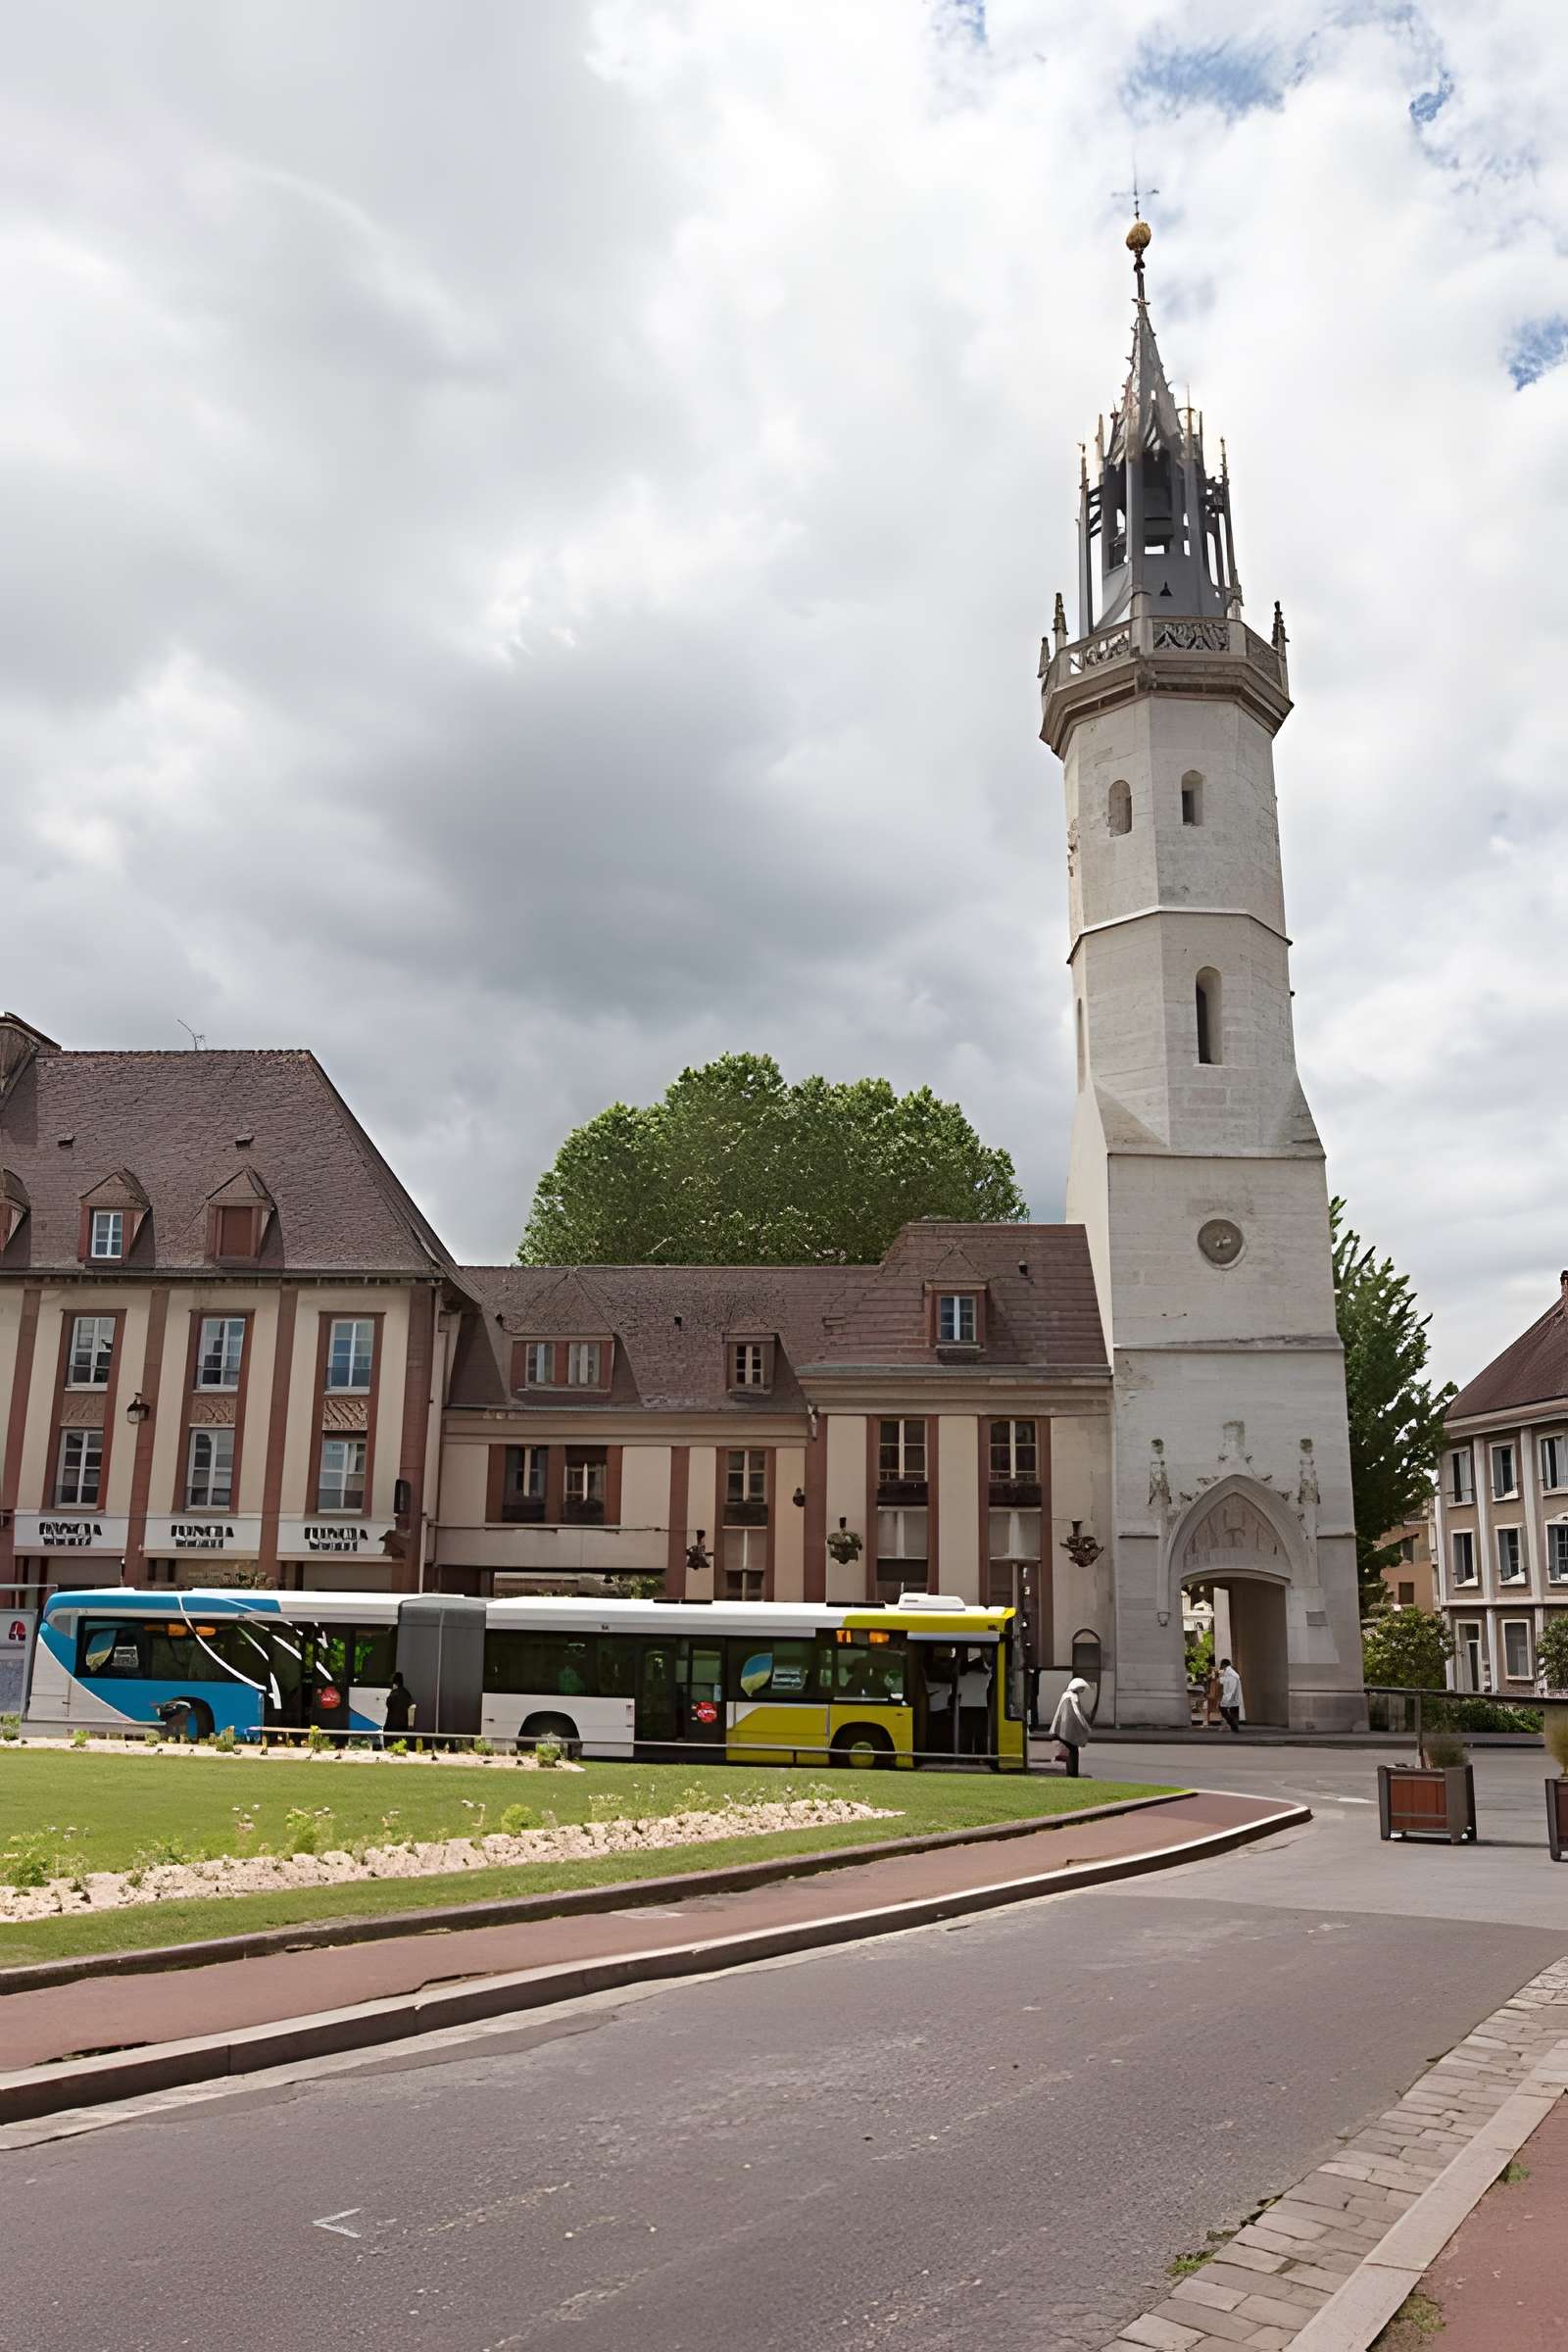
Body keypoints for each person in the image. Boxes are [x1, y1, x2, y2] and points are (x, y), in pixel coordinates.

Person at [1049, 1676, 1094, 1776]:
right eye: (1081, 1688)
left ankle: (1070, 1772)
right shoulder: (1074, 1697)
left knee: (1070, 1749)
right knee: (1074, 1750)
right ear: (1077, 1688)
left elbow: (1059, 1713)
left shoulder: (1065, 1695)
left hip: (1061, 1729)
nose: (1082, 1690)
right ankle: (1073, 1773)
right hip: (1068, 1730)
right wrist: (1085, 1726)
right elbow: (1078, 1713)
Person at [957, 1649, 992, 1758]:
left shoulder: (962, 1677)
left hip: (964, 1707)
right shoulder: (986, 1677)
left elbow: (958, 1692)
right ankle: (980, 1757)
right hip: (981, 1707)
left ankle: (965, 1757)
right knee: (981, 1736)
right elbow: (990, 1671)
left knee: (965, 1735)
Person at [382, 1671, 415, 1743]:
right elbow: (412, 1706)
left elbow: (388, 1704)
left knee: (390, 1743)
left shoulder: (393, 1693)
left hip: (391, 1724)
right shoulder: (406, 1692)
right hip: (403, 1724)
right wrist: (410, 1724)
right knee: (400, 1743)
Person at [1217, 1657, 1244, 1735]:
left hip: (1231, 1694)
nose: (1221, 1667)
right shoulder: (1231, 1671)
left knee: (1222, 1708)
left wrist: (1220, 1680)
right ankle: (1235, 1727)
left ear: (1224, 1665)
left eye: (1221, 1665)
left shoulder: (1229, 1672)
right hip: (1235, 1695)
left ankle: (1234, 1726)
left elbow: (1228, 1681)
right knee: (1234, 1710)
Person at [1204, 1662, 1223, 1730]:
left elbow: (1214, 1692)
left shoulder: (1214, 1681)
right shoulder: (1214, 1681)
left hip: (1214, 1697)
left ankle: (1212, 1721)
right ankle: (1211, 1720)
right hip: (1214, 1697)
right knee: (1212, 1708)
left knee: (1212, 1708)